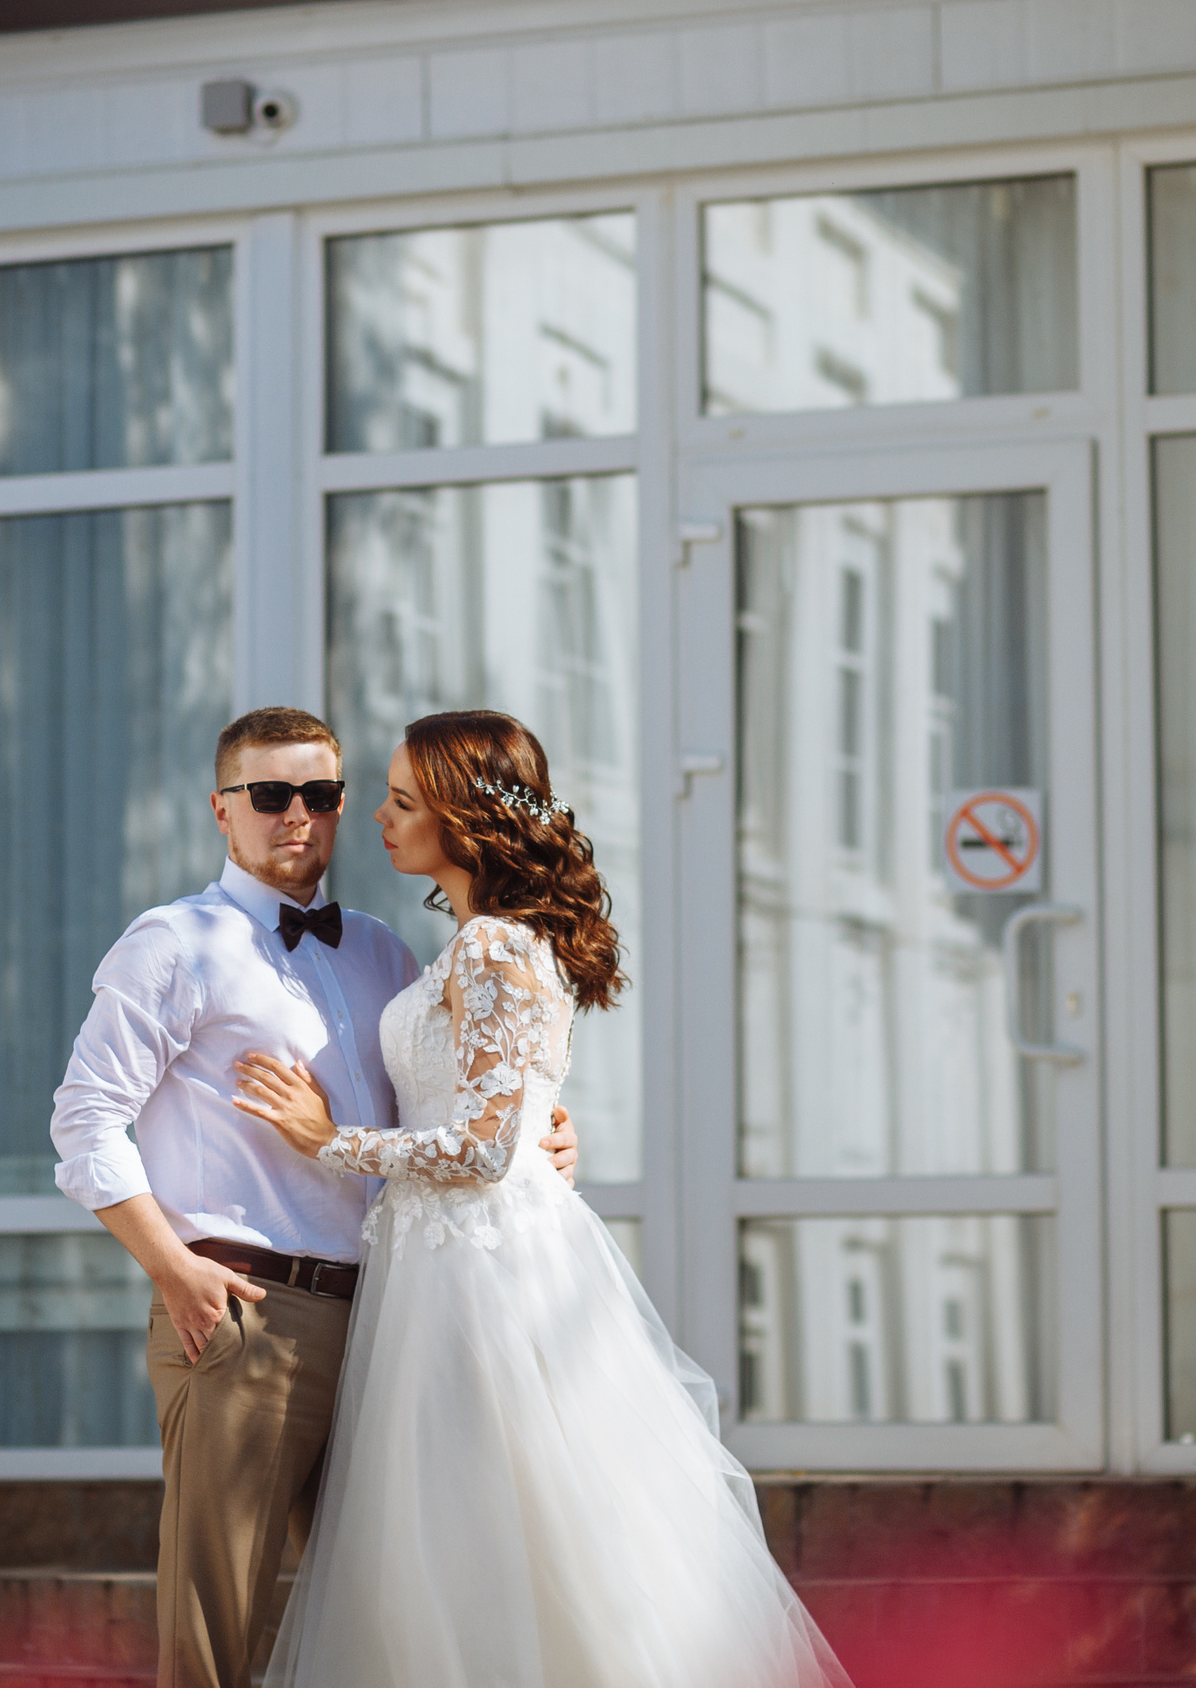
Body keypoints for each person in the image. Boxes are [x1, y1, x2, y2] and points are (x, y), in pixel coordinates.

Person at [233, 709, 850, 1688]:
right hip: (441, 1260)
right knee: (456, 1527)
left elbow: (482, 1149)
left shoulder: (493, 952)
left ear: (463, 818)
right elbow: (504, 1121)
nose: (380, 821)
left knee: (496, 1524)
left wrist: (326, 1140)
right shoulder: (474, 945)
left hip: (484, 1275)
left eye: (402, 801)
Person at [46, 706, 579, 1688]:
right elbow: (83, 1124)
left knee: (403, 1613)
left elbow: (455, 1100)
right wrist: (173, 1268)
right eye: (270, 794)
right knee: (217, 1634)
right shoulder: (175, 944)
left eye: (322, 794)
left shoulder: (383, 951)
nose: (299, 814)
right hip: (248, 1313)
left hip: (397, 1318)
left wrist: (540, 1128)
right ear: (222, 809)